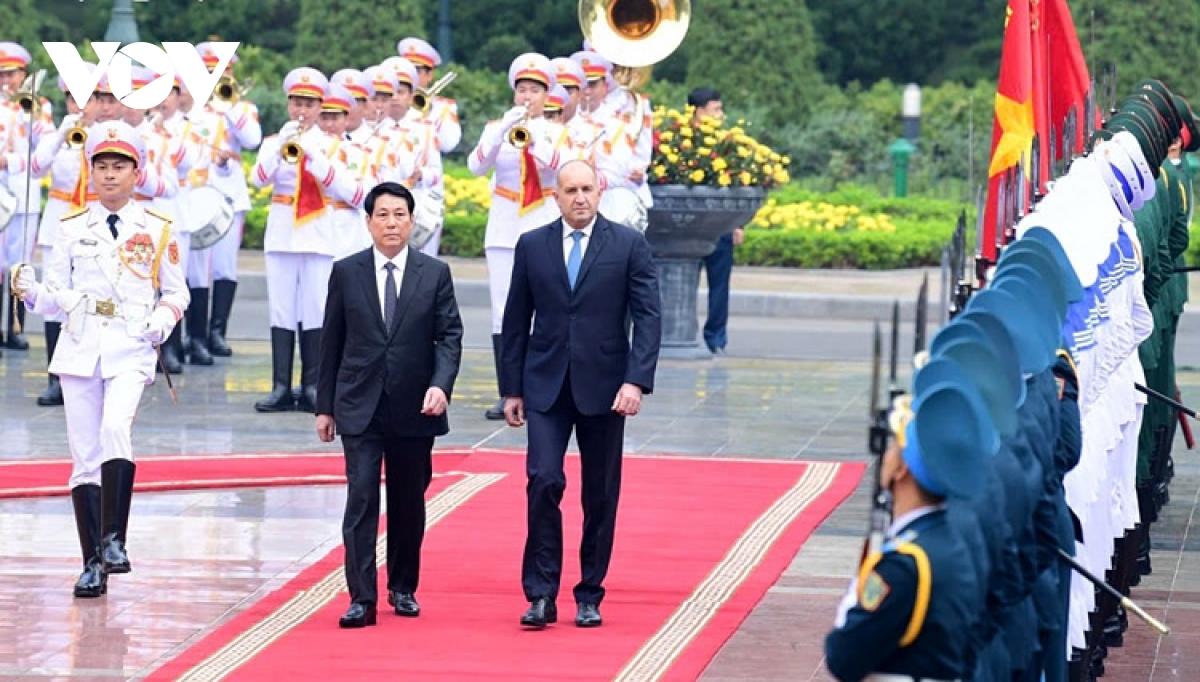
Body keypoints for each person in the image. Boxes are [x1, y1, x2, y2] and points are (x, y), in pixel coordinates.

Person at [12, 120, 189, 598]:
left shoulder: (156, 229)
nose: (110, 175)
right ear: (90, 171)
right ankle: (91, 561)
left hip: (131, 345)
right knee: (84, 458)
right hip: (79, 347)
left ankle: (115, 540)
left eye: (120, 166)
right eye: (102, 166)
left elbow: (178, 293)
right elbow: (54, 297)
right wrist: (29, 293)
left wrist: (163, 321)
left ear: (137, 173)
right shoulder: (70, 229)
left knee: (115, 428)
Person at [500, 160, 661, 629]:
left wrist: (636, 381)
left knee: (600, 495)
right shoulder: (533, 246)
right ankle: (540, 593)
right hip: (545, 386)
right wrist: (511, 387)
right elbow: (515, 320)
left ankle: (590, 592)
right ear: (556, 195)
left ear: (600, 189)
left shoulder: (628, 245)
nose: (580, 198)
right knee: (544, 480)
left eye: (587, 189)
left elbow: (648, 317)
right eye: (570, 190)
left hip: (607, 388)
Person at [316, 181, 463, 628]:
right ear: (369, 222)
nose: (391, 223)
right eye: (382, 214)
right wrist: (325, 407)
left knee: (407, 502)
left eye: (400, 214)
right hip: (359, 404)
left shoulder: (434, 273)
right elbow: (331, 342)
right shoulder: (347, 272)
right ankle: (361, 597)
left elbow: (449, 337)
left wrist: (441, 386)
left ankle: (403, 587)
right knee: (360, 499)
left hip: (415, 407)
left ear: (412, 221)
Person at [824, 379, 988, 680]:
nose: (885, 454)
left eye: (892, 447)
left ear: (903, 470)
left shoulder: (904, 564)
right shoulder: (954, 540)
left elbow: (843, 655)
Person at [688, 87, 739, 355]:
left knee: (720, 286)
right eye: (716, 109)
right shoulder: (679, 142)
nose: (721, 115)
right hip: (685, 228)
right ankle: (683, 334)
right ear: (698, 111)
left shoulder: (728, 143)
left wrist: (737, 223)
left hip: (720, 227)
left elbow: (736, 186)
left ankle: (716, 338)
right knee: (682, 282)